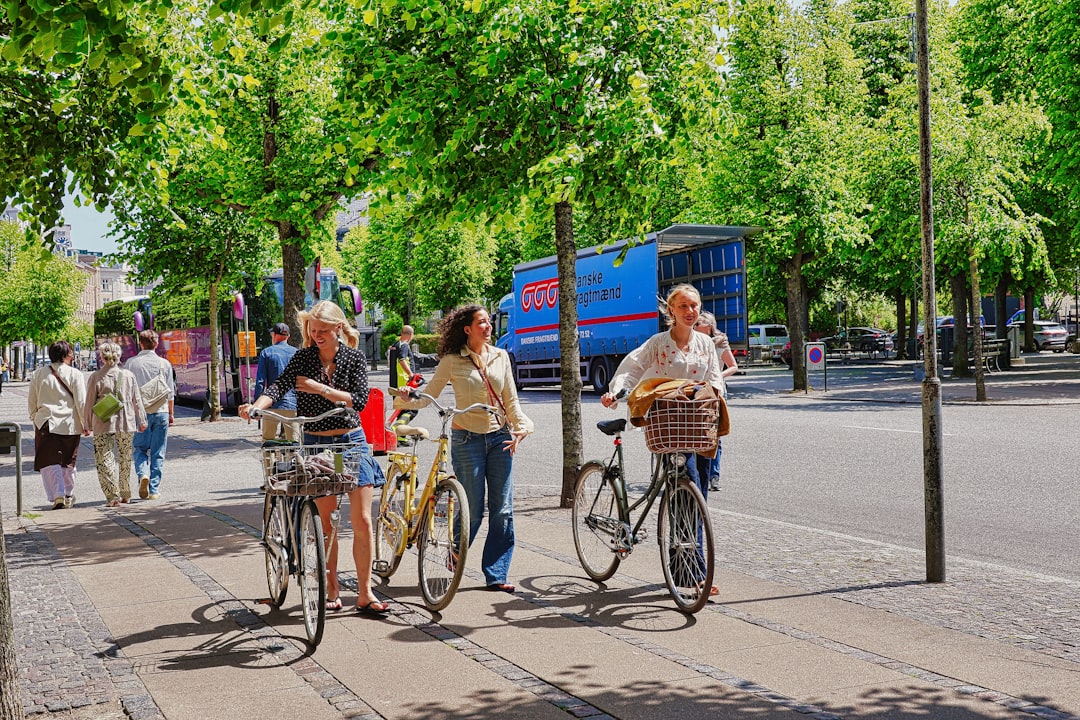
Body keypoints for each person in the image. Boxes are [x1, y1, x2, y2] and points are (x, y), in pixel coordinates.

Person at [239, 300, 387, 615]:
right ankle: (332, 588)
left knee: (361, 520)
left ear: (338, 329)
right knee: (328, 522)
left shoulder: (354, 358)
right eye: (312, 330)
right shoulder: (303, 358)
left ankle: (365, 592)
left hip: (350, 442)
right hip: (319, 445)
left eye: (322, 330)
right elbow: (278, 386)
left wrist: (320, 389)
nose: (316, 335)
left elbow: (358, 401)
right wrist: (258, 406)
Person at [395, 304, 533, 593]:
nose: (488, 326)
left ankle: (496, 573)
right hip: (466, 439)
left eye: (489, 321)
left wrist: (521, 426)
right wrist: (404, 399)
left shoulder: (501, 357)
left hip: (500, 437)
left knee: (503, 510)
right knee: (472, 510)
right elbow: (428, 396)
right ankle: (456, 552)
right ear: (467, 328)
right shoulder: (451, 360)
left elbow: (511, 399)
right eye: (481, 322)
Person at [601, 284, 723, 595]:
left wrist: (715, 395)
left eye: (694, 305)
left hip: (698, 423)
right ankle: (692, 575)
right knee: (684, 494)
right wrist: (615, 392)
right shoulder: (658, 343)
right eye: (683, 306)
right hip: (669, 425)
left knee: (698, 498)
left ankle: (687, 568)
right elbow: (632, 367)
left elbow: (714, 377)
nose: (690, 311)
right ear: (671, 311)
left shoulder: (706, 343)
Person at [84, 342, 148, 507]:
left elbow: (89, 402)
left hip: (102, 422)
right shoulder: (128, 376)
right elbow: (137, 399)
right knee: (125, 457)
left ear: (102, 357)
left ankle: (113, 495)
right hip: (126, 421)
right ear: (119, 357)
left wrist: (87, 423)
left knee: (104, 458)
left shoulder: (96, 377)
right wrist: (142, 420)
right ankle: (125, 493)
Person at [27, 341, 87, 509]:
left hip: (46, 422)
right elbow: (80, 402)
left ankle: (57, 494)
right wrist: (85, 422)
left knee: (49, 461)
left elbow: (32, 400)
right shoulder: (76, 374)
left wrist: (35, 417)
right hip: (70, 423)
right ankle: (68, 493)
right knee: (68, 461)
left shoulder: (38, 374)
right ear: (64, 355)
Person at [125, 330, 175, 500]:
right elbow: (170, 392)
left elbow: (126, 391)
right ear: (156, 344)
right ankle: (153, 489)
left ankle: (142, 474)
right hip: (161, 411)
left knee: (139, 449)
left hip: (140, 413)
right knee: (158, 451)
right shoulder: (164, 364)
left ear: (140, 343)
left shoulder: (131, 364)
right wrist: (171, 413)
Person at [693, 311, 738, 491]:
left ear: (709, 326)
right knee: (697, 434)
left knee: (716, 436)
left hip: (716, 391)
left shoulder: (720, 343)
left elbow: (734, 366)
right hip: (697, 393)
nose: (696, 325)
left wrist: (718, 375)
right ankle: (698, 473)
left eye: (699, 323)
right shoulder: (692, 342)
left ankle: (714, 475)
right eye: (695, 324)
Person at [253, 322, 298, 442]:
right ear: (288, 336)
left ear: (274, 335)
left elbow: (260, 382)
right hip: (292, 405)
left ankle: (269, 460)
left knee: (268, 441)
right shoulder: (296, 353)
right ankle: (295, 460)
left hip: (271, 404)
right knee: (294, 442)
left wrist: (257, 406)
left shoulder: (266, 353)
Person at [387, 325, 414, 390]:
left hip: (394, 380)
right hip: (403, 381)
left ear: (401, 333)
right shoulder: (404, 345)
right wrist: (410, 374)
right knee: (404, 400)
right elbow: (402, 359)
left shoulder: (395, 345)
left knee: (397, 399)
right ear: (411, 335)